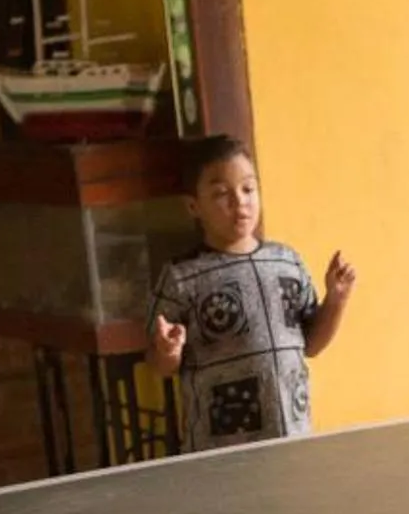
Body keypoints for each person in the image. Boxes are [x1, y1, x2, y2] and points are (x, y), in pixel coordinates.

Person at [146, 135, 357, 451]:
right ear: (194, 205)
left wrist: (336, 300)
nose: (239, 201)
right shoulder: (181, 276)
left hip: (292, 438)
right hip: (220, 450)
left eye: (248, 189)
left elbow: (312, 344)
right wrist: (167, 352)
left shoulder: (286, 261)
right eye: (221, 193)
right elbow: (158, 364)